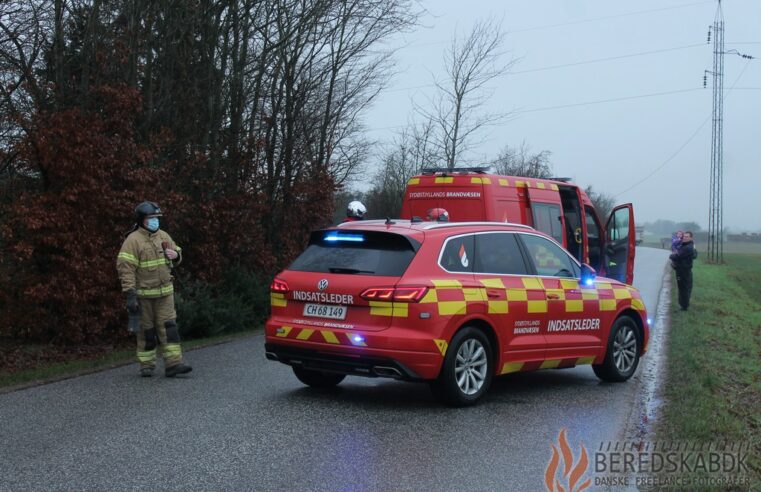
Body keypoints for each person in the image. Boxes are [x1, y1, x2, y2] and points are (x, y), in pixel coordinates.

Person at [117, 201, 192, 377]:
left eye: (157, 218)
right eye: (151, 218)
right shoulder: (133, 240)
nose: (155, 221)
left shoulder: (164, 236)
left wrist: (177, 256)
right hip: (144, 296)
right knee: (146, 331)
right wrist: (130, 295)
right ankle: (146, 365)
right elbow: (125, 268)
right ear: (142, 220)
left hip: (165, 293)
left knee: (169, 329)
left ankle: (174, 364)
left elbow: (177, 253)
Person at [669, 230, 697, 311]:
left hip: (683, 271)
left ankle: (684, 306)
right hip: (685, 270)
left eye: (687, 237)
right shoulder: (688, 245)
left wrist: (671, 256)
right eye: (684, 236)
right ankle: (684, 304)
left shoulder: (687, 247)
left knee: (683, 289)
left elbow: (676, 256)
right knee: (686, 287)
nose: (684, 238)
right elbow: (695, 255)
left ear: (691, 238)